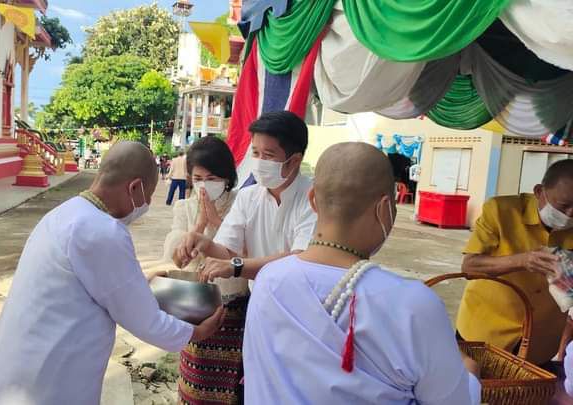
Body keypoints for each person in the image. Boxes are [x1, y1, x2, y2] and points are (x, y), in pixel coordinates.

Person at [0, 141, 225, 405]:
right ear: (134, 188)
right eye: (148, 195)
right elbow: (141, 317)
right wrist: (195, 333)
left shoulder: (65, 213)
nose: (145, 205)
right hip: (48, 376)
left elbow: (92, 287)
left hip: (21, 363)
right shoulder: (102, 230)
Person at [243, 142, 481, 404]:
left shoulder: (269, 280)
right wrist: (470, 375)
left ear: (313, 200)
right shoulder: (413, 304)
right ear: (385, 207)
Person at [177, 111, 317, 285]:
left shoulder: (315, 198)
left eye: (268, 155)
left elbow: (300, 258)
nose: (259, 161)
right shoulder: (247, 196)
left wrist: (237, 267)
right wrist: (205, 244)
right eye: (256, 153)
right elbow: (227, 251)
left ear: (294, 161)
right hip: (259, 294)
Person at [456, 159, 573, 365]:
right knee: (471, 381)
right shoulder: (501, 211)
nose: (569, 214)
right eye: (563, 206)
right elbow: (470, 266)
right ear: (539, 192)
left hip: (542, 338)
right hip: (485, 331)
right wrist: (522, 260)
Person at [162, 136, 249, 405]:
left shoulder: (242, 203)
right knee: (196, 383)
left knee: (231, 386)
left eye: (211, 178)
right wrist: (199, 225)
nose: (204, 185)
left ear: (226, 178)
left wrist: (217, 222)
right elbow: (177, 260)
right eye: (198, 178)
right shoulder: (184, 207)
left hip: (234, 307)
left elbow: (247, 256)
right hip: (196, 307)